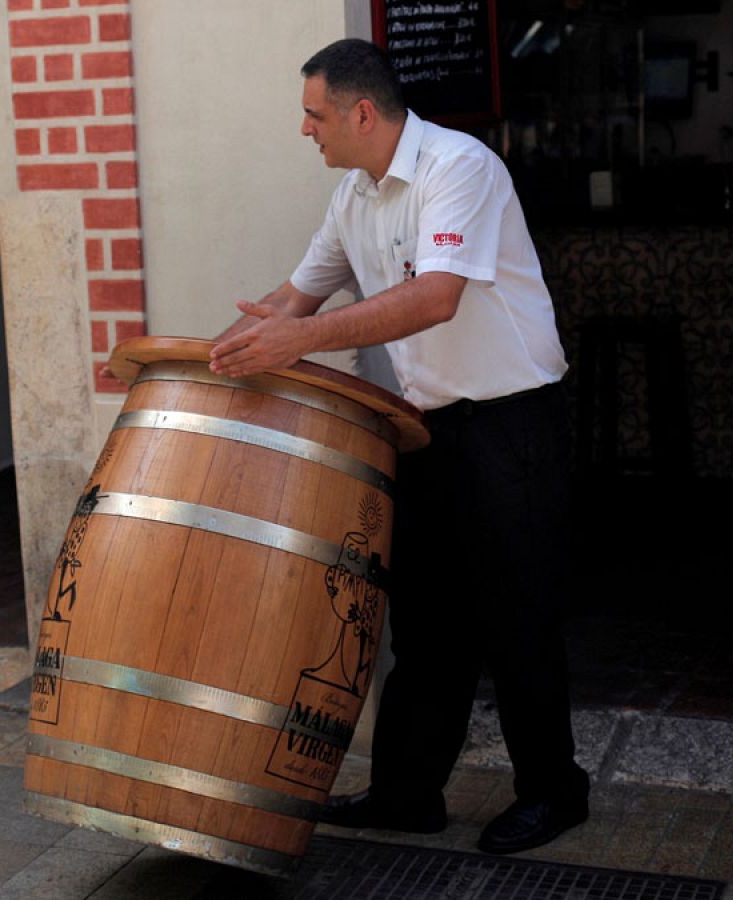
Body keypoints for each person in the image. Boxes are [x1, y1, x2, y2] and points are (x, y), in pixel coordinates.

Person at [209, 38, 590, 855]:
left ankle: (554, 793)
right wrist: (213, 359)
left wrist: (300, 338)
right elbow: (293, 300)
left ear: (361, 113)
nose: (304, 129)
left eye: (314, 115)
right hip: (426, 430)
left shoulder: (461, 167)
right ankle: (407, 795)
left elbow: (435, 297)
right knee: (425, 624)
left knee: (518, 618)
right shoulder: (354, 195)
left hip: (511, 422)